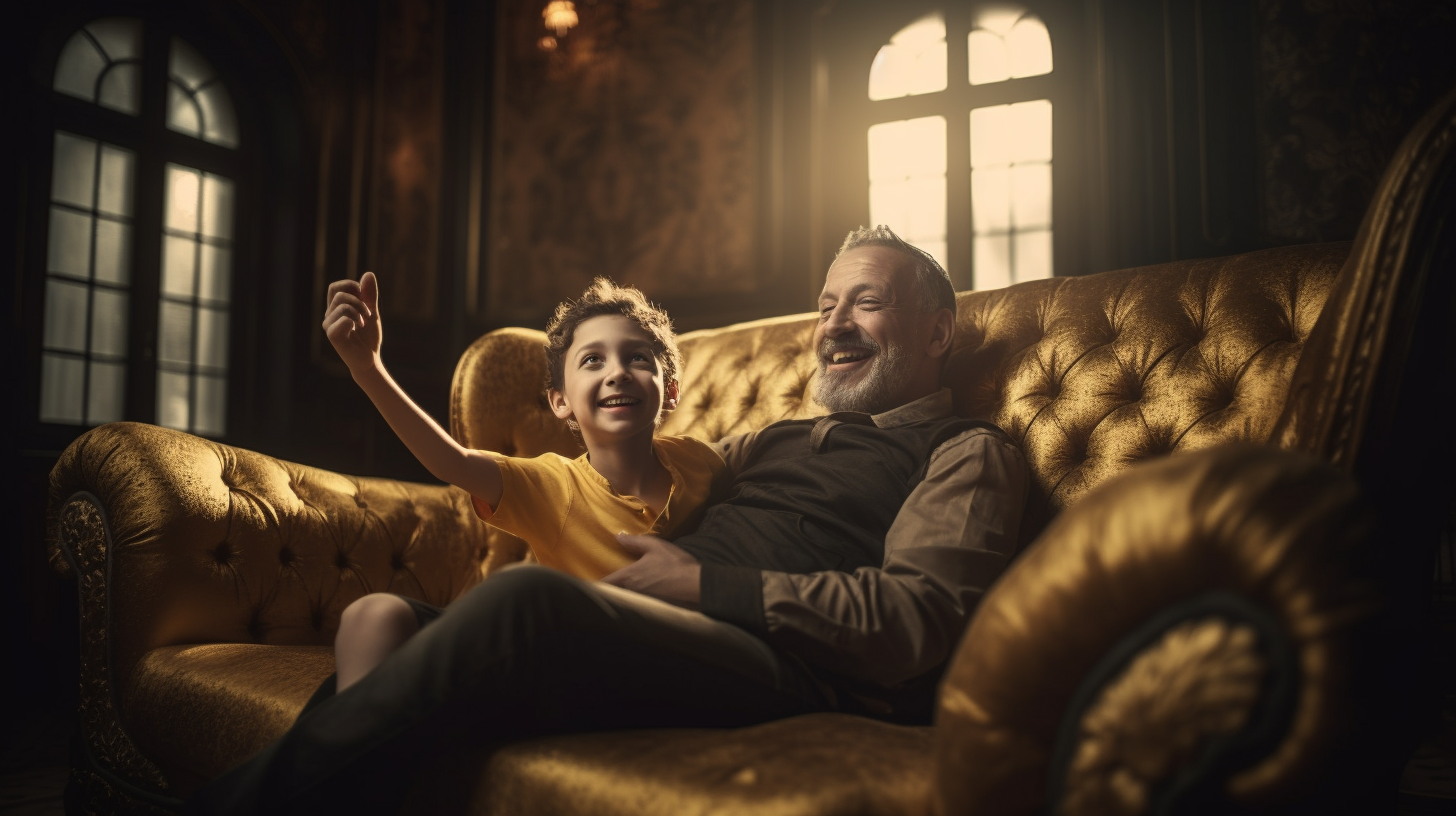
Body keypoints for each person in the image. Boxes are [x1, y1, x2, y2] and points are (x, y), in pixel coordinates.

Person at [186, 226, 1029, 815]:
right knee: (386, 615)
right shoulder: (770, 438)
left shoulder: (964, 451)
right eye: (826, 304)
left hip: (783, 661)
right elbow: (640, 470)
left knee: (527, 605)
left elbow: (916, 621)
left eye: (866, 303)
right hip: (644, 625)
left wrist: (706, 583)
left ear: (937, 331)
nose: (833, 325)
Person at [321, 273, 725, 692]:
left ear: (672, 390)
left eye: (638, 358)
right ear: (560, 401)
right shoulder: (553, 484)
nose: (617, 373)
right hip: (559, 655)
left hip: (642, 666)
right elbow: (450, 460)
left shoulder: (701, 461)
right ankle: (355, 743)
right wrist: (368, 368)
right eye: (593, 360)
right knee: (373, 616)